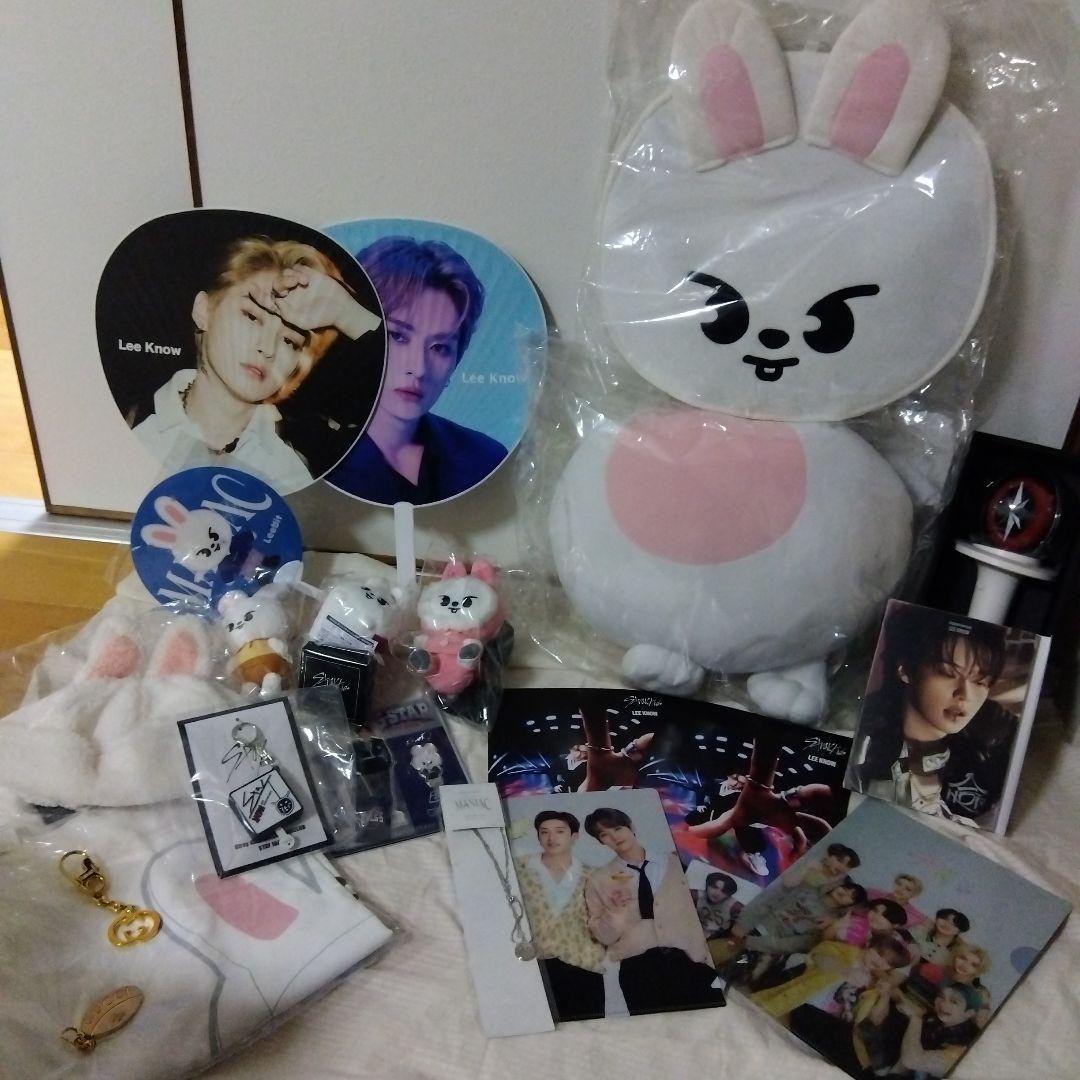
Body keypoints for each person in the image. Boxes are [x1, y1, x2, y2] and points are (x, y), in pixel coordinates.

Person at [134, 236, 381, 494]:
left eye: (289, 340)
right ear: (203, 311)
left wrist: (348, 314)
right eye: (252, 317)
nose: (268, 348)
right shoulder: (130, 428)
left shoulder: (299, 468)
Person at [327, 236, 507, 505]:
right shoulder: (309, 459)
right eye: (398, 336)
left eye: (440, 347)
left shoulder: (486, 459)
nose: (419, 368)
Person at [849, 605, 1010, 820]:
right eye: (947, 673)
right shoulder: (856, 737)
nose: (965, 695)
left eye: (980, 681)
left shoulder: (984, 758)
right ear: (906, 669)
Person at [582, 807, 724, 1015]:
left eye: (618, 828)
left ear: (631, 826)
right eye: (604, 834)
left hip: (692, 960)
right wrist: (616, 912)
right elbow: (603, 936)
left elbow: (703, 911)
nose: (614, 837)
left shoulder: (676, 862)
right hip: (638, 969)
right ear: (601, 841)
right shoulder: (598, 879)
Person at [514, 811, 606, 1021]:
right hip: (534, 963)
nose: (551, 838)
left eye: (559, 831)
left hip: (583, 964)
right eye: (544, 832)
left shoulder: (591, 874)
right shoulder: (518, 868)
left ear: (574, 836)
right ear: (538, 836)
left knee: (587, 1025)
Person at [694, 872, 743, 939]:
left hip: (715, 939)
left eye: (723, 891)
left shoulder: (734, 907)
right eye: (714, 887)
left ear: (729, 895)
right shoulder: (696, 895)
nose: (717, 893)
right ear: (707, 885)